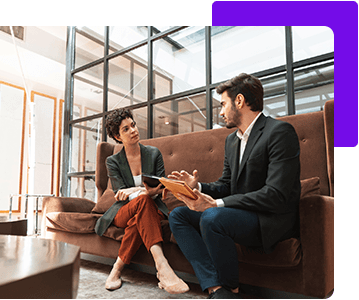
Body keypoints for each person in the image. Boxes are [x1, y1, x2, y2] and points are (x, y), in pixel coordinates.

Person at [168, 73, 301, 299]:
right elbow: (227, 185)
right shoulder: (231, 140)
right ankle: (217, 288)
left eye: (223, 104)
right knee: (178, 215)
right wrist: (197, 186)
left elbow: (275, 194)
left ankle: (230, 288)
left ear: (239, 101)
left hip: (267, 218)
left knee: (212, 217)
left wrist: (216, 204)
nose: (220, 112)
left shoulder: (279, 132)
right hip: (238, 215)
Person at [94, 108, 189, 294]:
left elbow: (161, 187)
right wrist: (142, 191)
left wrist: (136, 190)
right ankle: (162, 267)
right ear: (117, 136)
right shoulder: (113, 161)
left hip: (153, 206)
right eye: (126, 129)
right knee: (143, 200)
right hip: (124, 210)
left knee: (141, 211)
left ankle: (117, 269)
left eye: (133, 125)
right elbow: (121, 194)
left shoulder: (153, 154)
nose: (133, 131)